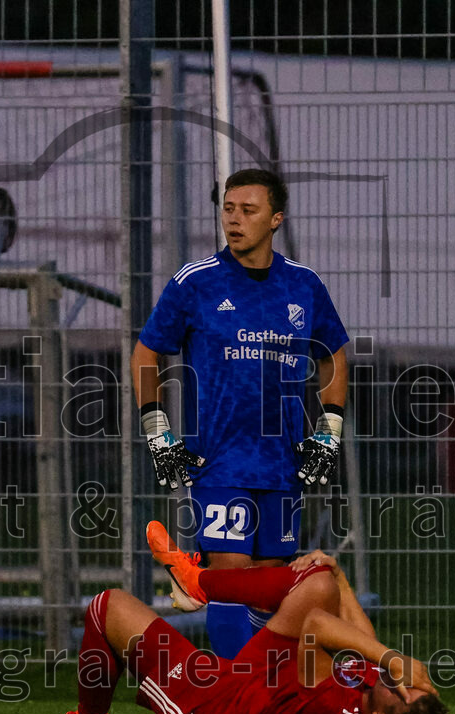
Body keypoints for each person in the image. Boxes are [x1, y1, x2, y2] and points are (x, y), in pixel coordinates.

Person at [130, 168, 350, 658]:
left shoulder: (304, 285)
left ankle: (259, 688)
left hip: (283, 463)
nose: (234, 219)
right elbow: (146, 353)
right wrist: (157, 430)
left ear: (275, 219)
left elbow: (334, 354)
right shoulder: (196, 282)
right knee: (231, 580)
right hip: (220, 461)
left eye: (248, 211)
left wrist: (328, 432)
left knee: (272, 586)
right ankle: (233, 699)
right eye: (228, 209)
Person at [33, 522, 450, 714]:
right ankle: (197, 584)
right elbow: (364, 641)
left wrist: (397, 658)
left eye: (401, 690)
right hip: (254, 677)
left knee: (108, 606)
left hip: (217, 703)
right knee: (321, 577)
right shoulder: (374, 691)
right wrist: (340, 578)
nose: (399, 680)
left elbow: (318, 625)